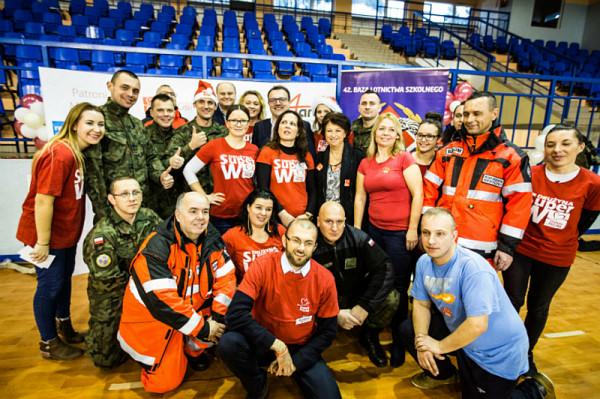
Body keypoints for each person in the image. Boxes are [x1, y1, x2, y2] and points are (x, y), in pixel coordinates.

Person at [401, 208, 550, 398]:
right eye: (426, 233)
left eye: (440, 234)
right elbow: (421, 304)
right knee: (408, 330)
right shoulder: (424, 262)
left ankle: (535, 390)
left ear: (454, 235)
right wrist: (422, 342)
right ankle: (444, 375)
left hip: (497, 352)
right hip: (465, 339)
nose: (431, 241)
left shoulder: (473, 269)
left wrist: (437, 347)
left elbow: (477, 324)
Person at [503, 124, 600, 381]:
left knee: (538, 307)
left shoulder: (592, 183)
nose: (557, 150)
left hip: (557, 257)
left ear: (579, 147)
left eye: (565, 143)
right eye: (551, 144)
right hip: (522, 250)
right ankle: (504, 349)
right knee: (511, 302)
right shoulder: (530, 174)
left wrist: (564, 237)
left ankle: (526, 353)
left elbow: (586, 219)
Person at [118, 192, 237, 393]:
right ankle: (162, 359)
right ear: (178, 215)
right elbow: (163, 302)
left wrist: (217, 318)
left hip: (190, 313)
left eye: (205, 211)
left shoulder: (213, 239)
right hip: (157, 322)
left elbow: (227, 279)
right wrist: (204, 328)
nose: (201, 217)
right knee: (163, 385)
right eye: (193, 211)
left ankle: (193, 350)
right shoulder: (158, 247)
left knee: (222, 317)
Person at [16, 102, 105, 360]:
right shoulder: (61, 153)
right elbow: (44, 200)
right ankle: (48, 342)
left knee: (63, 281)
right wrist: (42, 242)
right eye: (89, 123)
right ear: (74, 123)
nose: (96, 129)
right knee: (49, 286)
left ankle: (64, 325)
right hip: (48, 237)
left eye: (100, 124)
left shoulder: (76, 153)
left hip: (65, 235)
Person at [218, 219, 341, 399]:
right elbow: (235, 314)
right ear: (284, 241)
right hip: (263, 343)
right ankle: (257, 383)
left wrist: (295, 362)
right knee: (229, 344)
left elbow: (328, 332)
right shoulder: (262, 265)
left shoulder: (325, 279)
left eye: (308, 243)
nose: (301, 248)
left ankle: (292, 370)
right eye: (296, 240)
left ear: (314, 247)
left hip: (300, 348)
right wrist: (277, 346)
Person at [423, 91, 532, 270]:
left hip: (482, 248)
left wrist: (507, 247)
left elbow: (520, 206)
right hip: (443, 243)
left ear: (494, 114)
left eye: (477, 113)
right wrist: (427, 230)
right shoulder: (447, 151)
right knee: (438, 294)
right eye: (466, 114)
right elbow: (429, 191)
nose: (469, 119)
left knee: (475, 297)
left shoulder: (512, 157)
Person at [354, 112, 423, 366]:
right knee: (374, 283)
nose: (384, 133)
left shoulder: (404, 159)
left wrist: (412, 228)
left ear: (397, 134)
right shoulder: (366, 162)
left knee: (398, 286)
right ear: (375, 133)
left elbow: (418, 195)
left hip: (399, 234)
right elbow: (360, 198)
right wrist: (358, 230)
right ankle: (370, 333)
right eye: (380, 129)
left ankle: (398, 339)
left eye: (390, 129)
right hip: (374, 232)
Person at [83, 177, 161, 368]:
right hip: (112, 294)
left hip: (144, 284)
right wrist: (142, 292)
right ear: (112, 199)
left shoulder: (149, 217)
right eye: (124, 194)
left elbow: (167, 245)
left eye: (136, 192)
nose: (132, 198)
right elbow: (108, 280)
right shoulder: (103, 235)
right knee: (106, 359)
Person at [312, 202, 398, 368]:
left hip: (356, 295)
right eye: (328, 221)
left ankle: (369, 335)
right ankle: (316, 344)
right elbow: (300, 289)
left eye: (339, 222)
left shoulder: (358, 238)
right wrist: (334, 312)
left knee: (391, 298)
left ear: (345, 221)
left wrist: (365, 306)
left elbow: (385, 268)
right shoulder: (309, 243)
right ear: (317, 221)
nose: (335, 228)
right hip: (325, 301)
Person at [84, 70, 172, 220]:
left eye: (135, 91)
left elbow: (150, 157)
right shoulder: (98, 120)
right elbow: (93, 173)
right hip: (114, 211)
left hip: (142, 207)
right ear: (110, 86)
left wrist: (160, 175)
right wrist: (104, 212)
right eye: (125, 88)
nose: (131, 94)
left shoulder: (137, 124)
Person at [182, 105, 259, 234]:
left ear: (247, 125)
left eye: (243, 121)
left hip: (247, 215)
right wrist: (204, 196)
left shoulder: (254, 149)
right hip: (220, 216)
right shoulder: (214, 145)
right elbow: (188, 170)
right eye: (234, 120)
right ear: (227, 123)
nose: (238, 124)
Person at [256, 110, 317, 227]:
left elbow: (313, 190)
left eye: (292, 124)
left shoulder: (306, 156)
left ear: (298, 132)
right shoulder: (267, 152)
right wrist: (282, 213)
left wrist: (308, 214)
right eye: (283, 122)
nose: (287, 126)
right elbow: (263, 188)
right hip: (275, 217)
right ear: (277, 128)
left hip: (303, 219)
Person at [167, 80, 228, 194]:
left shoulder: (224, 132)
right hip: (190, 196)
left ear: (215, 106)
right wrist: (190, 146)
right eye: (201, 102)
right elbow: (170, 162)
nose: (206, 106)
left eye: (210, 103)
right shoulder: (183, 131)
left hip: (219, 195)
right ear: (194, 104)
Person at [222, 189, 285, 281]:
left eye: (268, 209)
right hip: (247, 291)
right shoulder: (232, 236)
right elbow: (222, 269)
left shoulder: (280, 231)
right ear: (248, 208)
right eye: (258, 207)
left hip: (277, 289)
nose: (263, 213)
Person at [315, 112, 364, 225]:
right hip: (324, 217)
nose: (333, 135)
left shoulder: (357, 157)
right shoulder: (319, 157)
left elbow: (360, 194)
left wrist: (357, 225)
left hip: (348, 217)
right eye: (329, 131)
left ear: (345, 133)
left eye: (338, 131)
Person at [252, 85, 316, 158]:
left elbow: (311, 156)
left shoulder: (304, 125)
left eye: (282, 99)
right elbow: (255, 156)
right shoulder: (259, 126)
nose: (278, 103)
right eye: (273, 100)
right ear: (268, 103)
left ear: (289, 102)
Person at [144, 93, 180, 218]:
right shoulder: (142, 135)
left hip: (175, 206)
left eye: (169, 110)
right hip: (150, 205)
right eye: (160, 110)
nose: (166, 114)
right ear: (151, 112)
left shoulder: (181, 136)